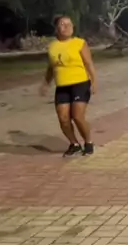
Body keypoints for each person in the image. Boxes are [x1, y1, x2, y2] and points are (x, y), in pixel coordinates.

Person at [40, 15, 98, 157]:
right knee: (63, 118)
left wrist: (94, 81)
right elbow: (51, 67)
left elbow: (89, 63)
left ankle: (88, 142)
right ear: (56, 28)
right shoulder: (52, 46)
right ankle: (74, 144)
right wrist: (46, 83)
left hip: (80, 84)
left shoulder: (79, 43)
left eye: (69, 24)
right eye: (62, 24)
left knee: (77, 116)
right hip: (62, 87)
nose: (66, 27)